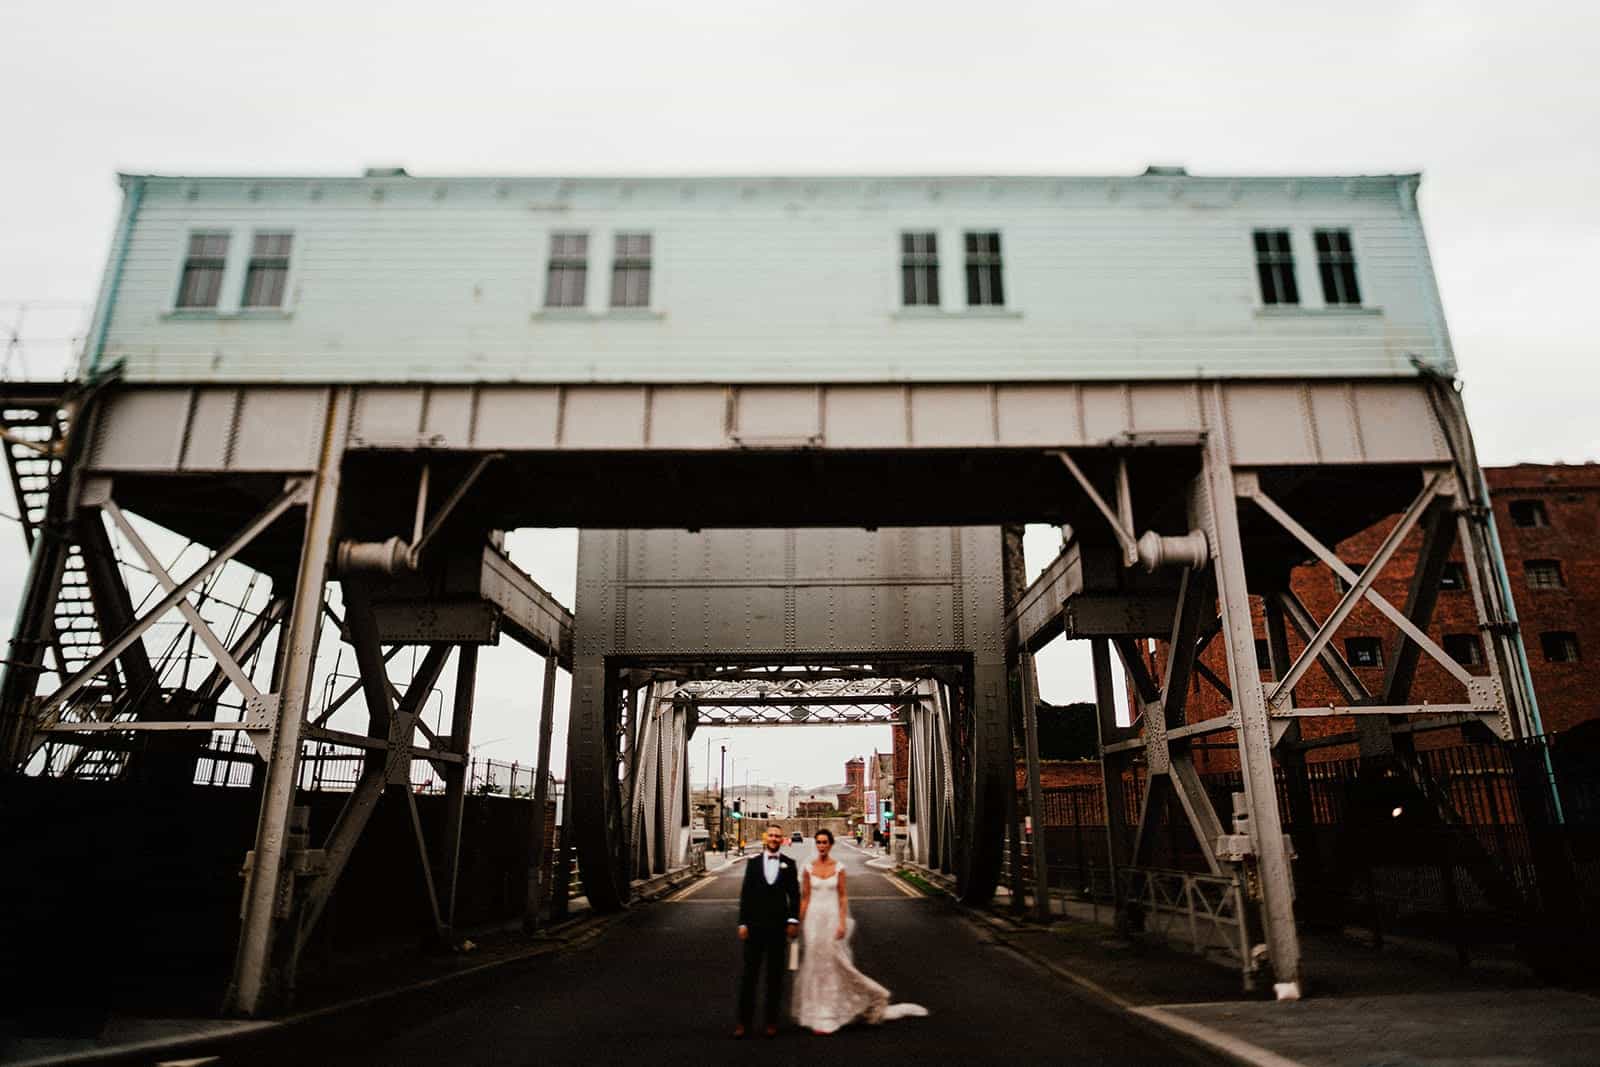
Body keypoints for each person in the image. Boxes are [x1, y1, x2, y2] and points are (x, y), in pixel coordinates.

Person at [793, 828, 927, 1034]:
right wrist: (797, 921)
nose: (821, 846)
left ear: (830, 845)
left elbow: (842, 897)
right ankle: (817, 1012)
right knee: (815, 966)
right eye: (818, 842)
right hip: (813, 921)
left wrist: (841, 922)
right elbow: (806, 897)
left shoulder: (839, 868)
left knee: (835, 966)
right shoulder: (808, 868)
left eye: (824, 842)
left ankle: (846, 1006)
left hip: (831, 919)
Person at [734, 822, 800, 1039]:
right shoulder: (752, 864)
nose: (774, 838)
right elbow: (746, 895)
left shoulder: (789, 864)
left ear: (782, 840)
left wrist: (793, 920)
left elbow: (794, 895)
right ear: (765, 838)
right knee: (749, 977)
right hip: (754, 928)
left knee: (775, 978)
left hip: (778, 928)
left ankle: (771, 1022)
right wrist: (742, 923)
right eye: (771, 835)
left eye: (777, 836)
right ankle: (743, 1023)